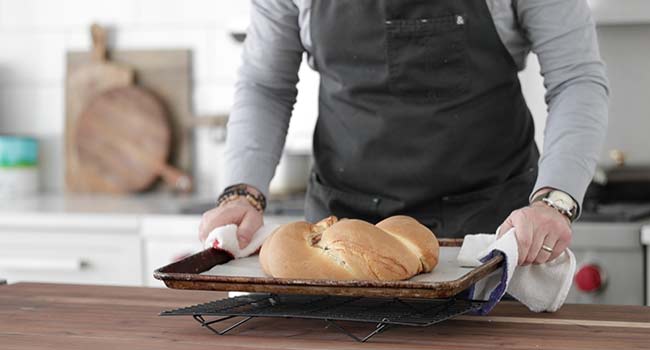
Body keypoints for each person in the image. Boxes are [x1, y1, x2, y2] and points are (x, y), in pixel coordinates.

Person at [199, 0, 608, 266]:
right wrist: (242, 192)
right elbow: (264, 86)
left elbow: (576, 79)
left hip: (492, 235)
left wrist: (554, 201)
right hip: (338, 237)